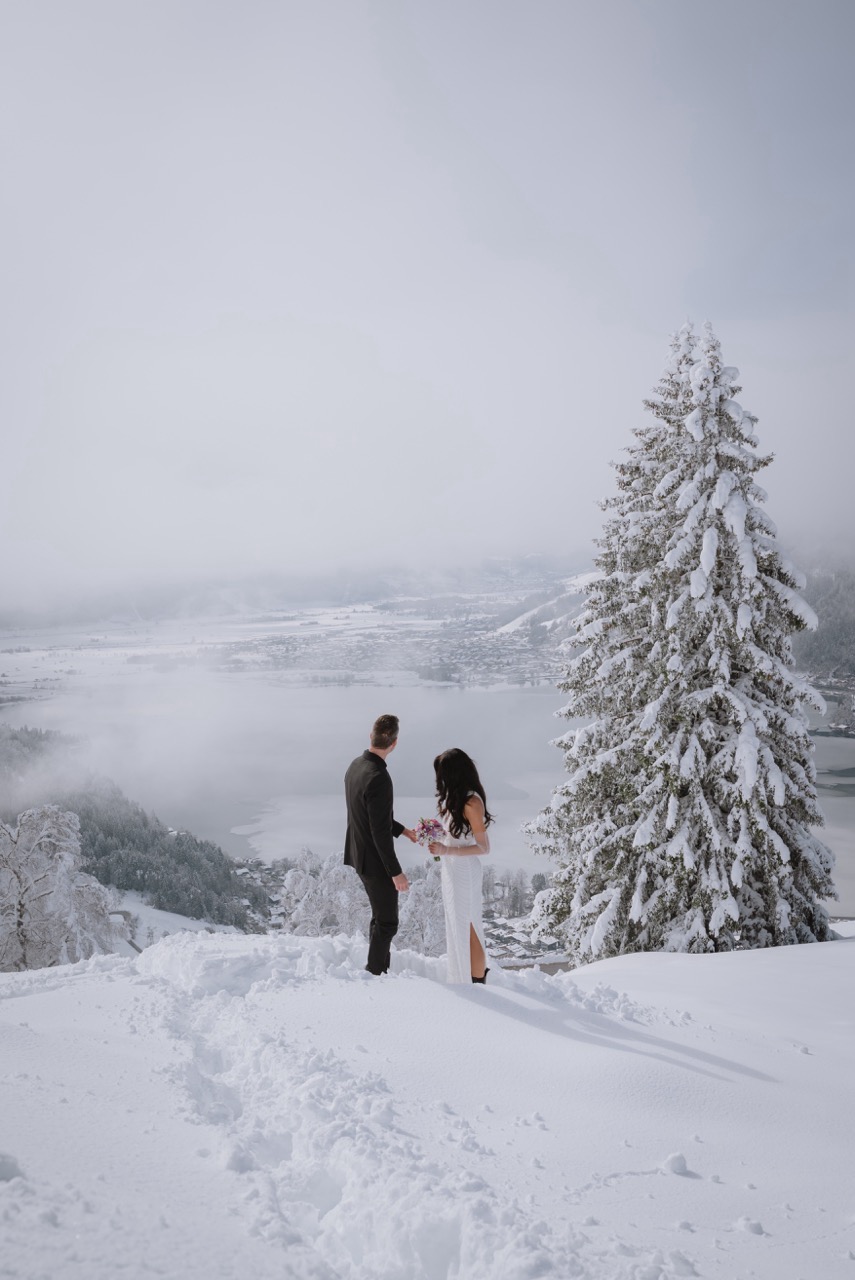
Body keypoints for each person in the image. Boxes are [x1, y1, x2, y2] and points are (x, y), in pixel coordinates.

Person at [344, 714, 416, 975]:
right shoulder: (379, 777)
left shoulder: (356, 765)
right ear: (394, 743)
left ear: (370, 736)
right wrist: (395, 871)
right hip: (374, 860)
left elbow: (369, 814)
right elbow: (378, 831)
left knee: (380, 917)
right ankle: (374, 973)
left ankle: (379, 969)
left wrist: (402, 830)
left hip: (357, 853)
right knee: (387, 922)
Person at [428, 748, 493, 984]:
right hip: (451, 870)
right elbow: (455, 835)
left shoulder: (471, 802)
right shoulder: (453, 800)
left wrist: (447, 850)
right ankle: (463, 977)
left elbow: (484, 847)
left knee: (469, 923)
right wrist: (435, 837)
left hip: (465, 871)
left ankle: (477, 980)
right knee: (456, 923)